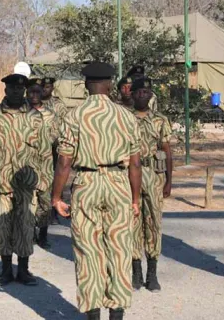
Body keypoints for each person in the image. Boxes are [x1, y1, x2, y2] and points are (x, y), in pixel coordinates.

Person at [51, 62, 142, 320]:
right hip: (118, 183)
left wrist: (56, 197)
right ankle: (116, 315)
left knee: (88, 252)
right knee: (120, 251)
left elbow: (64, 162)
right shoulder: (126, 116)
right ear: (111, 83)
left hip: (87, 184)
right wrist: (135, 200)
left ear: (86, 84)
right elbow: (136, 163)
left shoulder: (75, 115)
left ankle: (93, 315)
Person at [0, 73, 49, 287]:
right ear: (5, 90)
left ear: (24, 90)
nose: (16, 91)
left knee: (26, 226)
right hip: (2, 184)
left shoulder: (35, 117)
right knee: (4, 227)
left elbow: (44, 152)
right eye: (12, 88)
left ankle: (23, 269)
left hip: (27, 185)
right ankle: (6, 269)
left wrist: (44, 182)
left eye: (20, 88)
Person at [129, 76, 173, 293]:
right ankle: (136, 271)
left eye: (147, 93)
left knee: (154, 223)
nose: (143, 96)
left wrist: (169, 182)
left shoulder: (160, 120)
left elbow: (167, 150)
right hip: (131, 177)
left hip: (155, 177)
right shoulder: (125, 118)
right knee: (134, 222)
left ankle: (152, 273)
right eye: (139, 92)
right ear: (132, 94)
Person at [26, 77, 57, 248]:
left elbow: (55, 136)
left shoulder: (50, 115)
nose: (35, 95)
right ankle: (30, 233)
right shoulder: (22, 114)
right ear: (27, 93)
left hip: (45, 162)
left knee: (45, 200)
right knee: (29, 199)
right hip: (26, 163)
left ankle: (43, 234)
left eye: (38, 92)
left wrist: (40, 142)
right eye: (31, 92)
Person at [40, 76, 67, 226]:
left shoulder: (58, 105)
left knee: (56, 178)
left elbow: (65, 124)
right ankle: (41, 211)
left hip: (55, 147)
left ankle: (55, 211)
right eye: (43, 87)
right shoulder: (32, 104)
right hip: (39, 148)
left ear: (52, 88)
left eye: (48, 87)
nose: (45, 89)